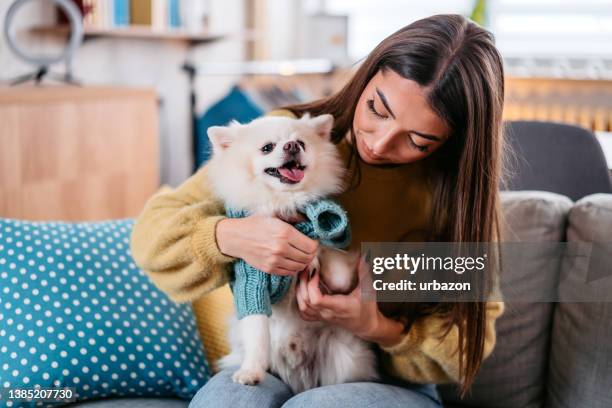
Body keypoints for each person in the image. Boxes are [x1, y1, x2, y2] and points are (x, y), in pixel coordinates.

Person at [130, 14, 506, 408]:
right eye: (378, 109)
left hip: (376, 373)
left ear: (451, 142)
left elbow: (468, 344)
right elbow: (152, 235)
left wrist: (376, 326)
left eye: (417, 140)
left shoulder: (457, 199)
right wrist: (230, 236)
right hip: (271, 359)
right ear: (367, 76)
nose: (379, 144)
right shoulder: (286, 137)